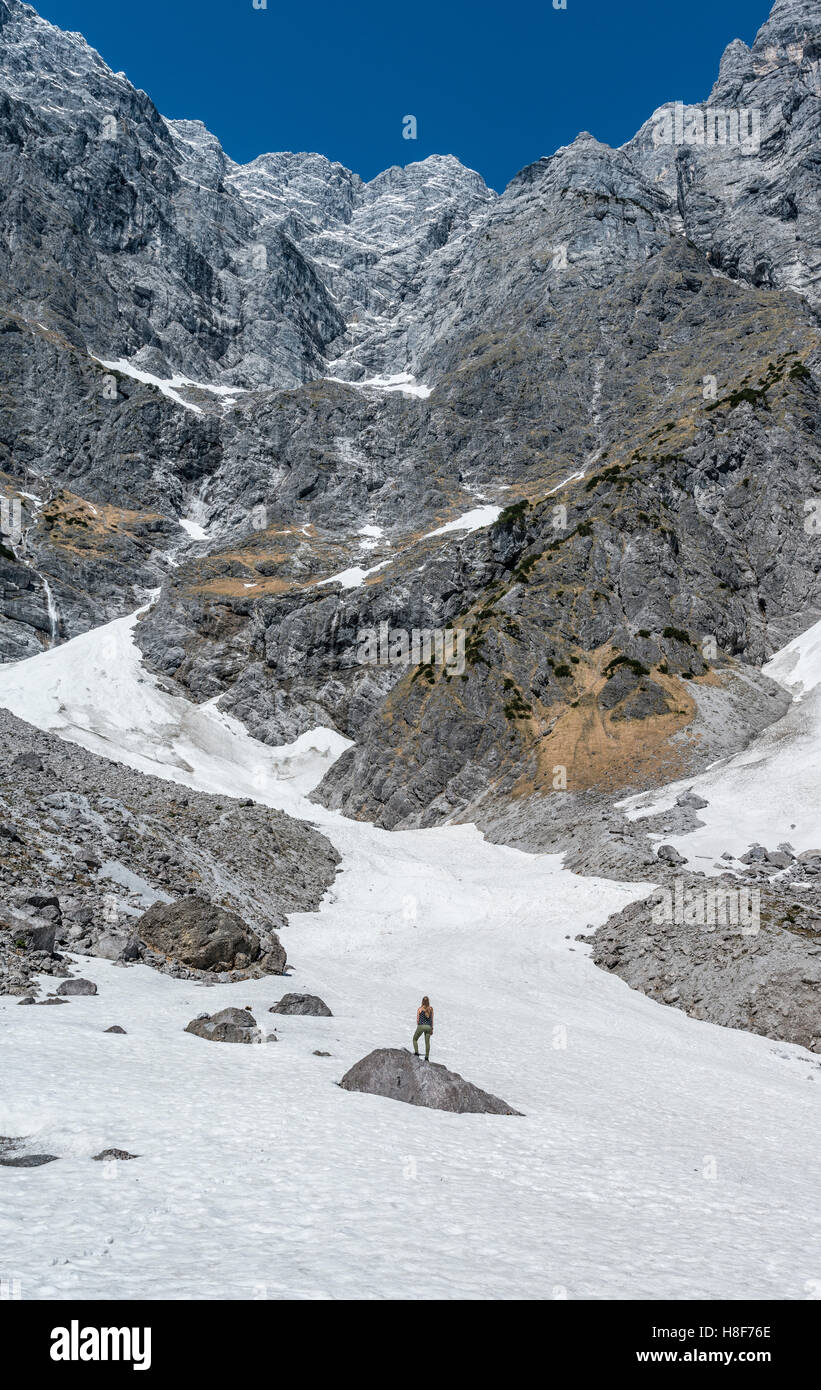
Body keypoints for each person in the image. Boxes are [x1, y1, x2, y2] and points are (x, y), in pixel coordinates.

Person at [413, 996, 434, 1060]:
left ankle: (416, 1053)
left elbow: (417, 1020)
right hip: (429, 1027)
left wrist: (419, 1027)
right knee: (427, 1042)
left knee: (415, 1039)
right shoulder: (431, 1009)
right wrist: (432, 1028)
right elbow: (432, 1019)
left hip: (421, 1026)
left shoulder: (420, 1009)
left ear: (422, 1001)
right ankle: (426, 1058)